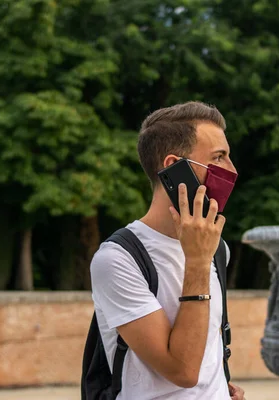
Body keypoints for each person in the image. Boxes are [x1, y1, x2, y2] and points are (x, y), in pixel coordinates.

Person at [90, 101, 246, 400]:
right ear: (174, 166)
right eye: (219, 157)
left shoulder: (217, 249)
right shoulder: (118, 259)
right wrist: (198, 261)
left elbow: (205, 352)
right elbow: (183, 371)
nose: (231, 170)